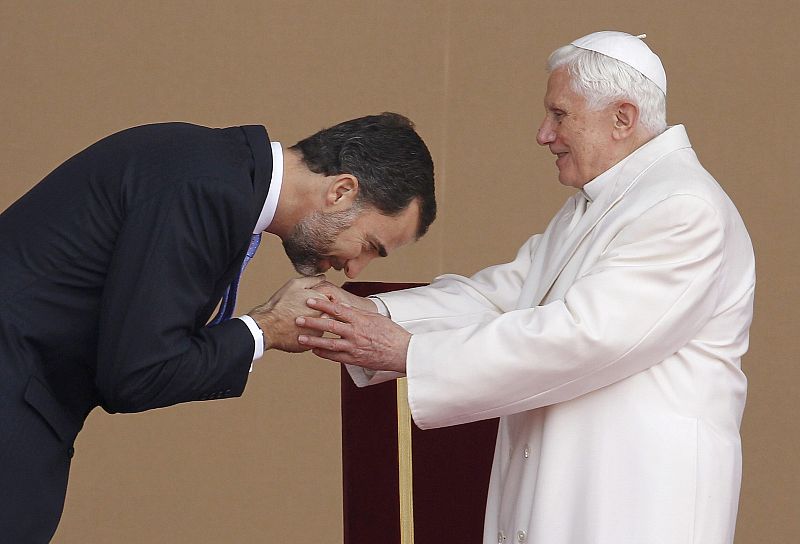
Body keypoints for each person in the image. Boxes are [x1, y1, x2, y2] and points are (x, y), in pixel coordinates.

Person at [297, 32, 755, 543]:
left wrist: (411, 352)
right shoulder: (601, 205)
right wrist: (365, 317)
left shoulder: (683, 208)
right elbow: (498, 297)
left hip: (632, 503)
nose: (544, 134)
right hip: (571, 494)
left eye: (559, 115)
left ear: (622, 118)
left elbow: (587, 335)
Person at [0, 112, 435, 541]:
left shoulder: (214, 170)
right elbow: (137, 373)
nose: (355, 270)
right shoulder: (207, 188)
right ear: (341, 191)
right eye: (369, 246)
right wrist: (265, 329)